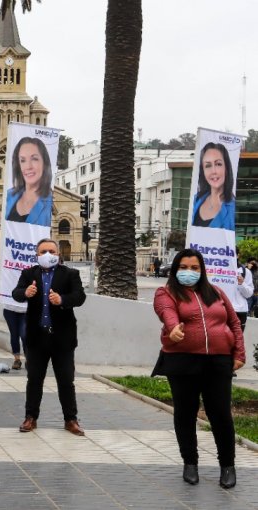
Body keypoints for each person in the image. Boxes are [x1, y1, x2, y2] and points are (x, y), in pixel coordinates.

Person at [152, 248, 245, 489]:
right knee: (185, 413)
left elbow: (234, 323)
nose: (189, 272)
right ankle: (190, 463)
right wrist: (173, 329)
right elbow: (167, 313)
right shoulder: (167, 292)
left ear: (202, 270)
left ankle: (227, 466)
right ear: (175, 270)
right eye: (183, 268)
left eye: (194, 268)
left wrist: (239, 353)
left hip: (218, 362)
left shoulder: (216, 292)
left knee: (221, 414)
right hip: (182, 360)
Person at [12, 238, 87, 436]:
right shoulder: (29, 274)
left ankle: (70, 419)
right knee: (34, 379)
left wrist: (62, 299)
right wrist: (25, 292)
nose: (48, 254)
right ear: (37, 255)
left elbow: (80, 296)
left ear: (58, 254)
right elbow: (16, 293)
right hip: (37, 338)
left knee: (65, 380)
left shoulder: (70, 274)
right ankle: (30, 418)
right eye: (43, 251)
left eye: (52, 251)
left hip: (62, 338)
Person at [4, 137, 53, 227]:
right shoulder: (8, 196)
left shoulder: (52, 202)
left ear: (44, 163)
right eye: (22, 160)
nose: (28, 166)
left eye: (34, 159)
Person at [191, 142, 235, 230]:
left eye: (218, 164)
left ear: (226, 168)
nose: (213, 171)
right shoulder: (195, 200)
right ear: (203, 171)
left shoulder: (234, 208)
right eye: (208, 165)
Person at [231, 254, 254, 331]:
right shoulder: (217, 270)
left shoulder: (246, 272)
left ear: (238, 255)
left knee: (237, 340)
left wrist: (242, 283)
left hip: (239, 311)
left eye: (232, 254)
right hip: (221, 310)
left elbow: (249, 294)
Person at [3, 300, 27, 370]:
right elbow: (1, 289)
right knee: (14, 334)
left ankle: (28, 359)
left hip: (25, 310)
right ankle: (17, 360)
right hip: (10, 309)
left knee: (24, 334)